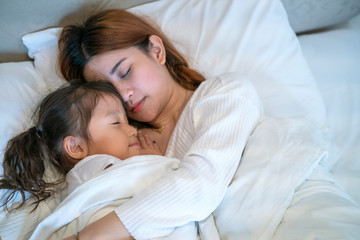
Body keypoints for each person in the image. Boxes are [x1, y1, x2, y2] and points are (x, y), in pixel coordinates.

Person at [58, 9, 262, 240]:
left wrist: (85, 237)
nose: (125, 95)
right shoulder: (120, 145)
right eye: (108, 89)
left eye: (125, 72)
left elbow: (202, 185)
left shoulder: (225, 92)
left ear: (156, 51)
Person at [0, 80, 161, 214]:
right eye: (116, 123)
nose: (133, 130)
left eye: (127, 121)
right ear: (76, 147)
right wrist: (153, 163)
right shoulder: (95, 167)